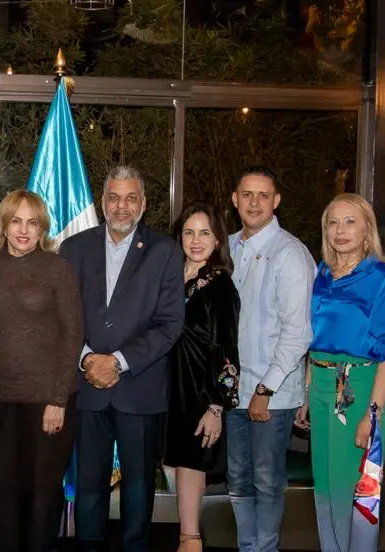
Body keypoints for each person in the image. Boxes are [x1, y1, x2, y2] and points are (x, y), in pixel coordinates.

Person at [59, 165, 185, 552]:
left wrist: (117, 361)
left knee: (137, 488)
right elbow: (63, 318)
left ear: (143, 204)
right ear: (102, 202)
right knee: (89, 486)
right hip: (88, 389)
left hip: (139, 388)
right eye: (114, 197)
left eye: (131, 198)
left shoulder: (165, 252)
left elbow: (169, 323)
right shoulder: (74, 248)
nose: (122, 206)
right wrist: (86, 360)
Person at [299, 192, 385, 552]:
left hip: (361, 386)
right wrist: (308, 390)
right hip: (321, 386)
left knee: (354, 487)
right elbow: (314, 338)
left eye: (350, 222)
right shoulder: (322, 273)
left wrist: (374, 415)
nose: (340, 230)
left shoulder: (384, 280)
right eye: (333, 222)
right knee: (326, 485)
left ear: (367, 230)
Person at [0, 190, 83, 552]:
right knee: (3, 493)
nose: (24, 230)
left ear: (42, 229)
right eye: (16, 221)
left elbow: (74, 335)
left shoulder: (58, 268)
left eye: (33, 222)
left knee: (42, 495)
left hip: (48, 403)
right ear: (3, 224)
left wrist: (57, 400)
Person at [226, 166, 315, 552]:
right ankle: (249, 547)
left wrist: (265, 389)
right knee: (237, 479)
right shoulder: (226, 247)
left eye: (264, 195)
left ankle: (264, 548)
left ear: (276, 201)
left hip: (270, 394)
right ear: (235, 199)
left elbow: (298, 334)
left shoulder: (290, 254)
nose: (255, 203)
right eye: (247, 194)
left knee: (266, 480)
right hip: (232, 391)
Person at [166, 201, 241, 552]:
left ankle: (191, 540)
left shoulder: (220, 285)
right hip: (166, 385)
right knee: (179, 464)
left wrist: (216, 406)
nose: (196, 241)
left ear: (217, 240)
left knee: (191, 465)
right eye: (189, 232)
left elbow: (226, 349)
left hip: (198, 390)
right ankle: (187, 536)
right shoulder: (170, 275)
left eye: (205, 233)